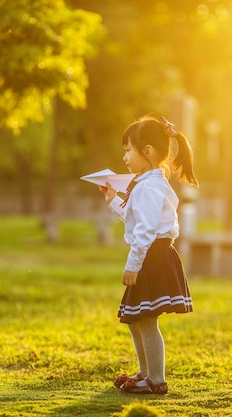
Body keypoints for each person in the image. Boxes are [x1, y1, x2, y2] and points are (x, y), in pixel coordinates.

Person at [100, 114, 198, 395]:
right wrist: (113, 201)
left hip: (153, 258)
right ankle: (144, 373)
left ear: (147, 152)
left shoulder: (150, 186)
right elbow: (137, 221)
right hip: (150, 254)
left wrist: (133, 265)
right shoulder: (146, 184)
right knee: (135, 318)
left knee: (147, 319)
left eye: (128, 150)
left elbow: (145, 231)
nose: (125, 157)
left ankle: (156, 379)